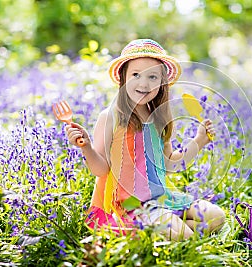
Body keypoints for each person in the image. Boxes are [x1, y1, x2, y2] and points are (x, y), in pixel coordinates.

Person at [65, 39, 225, 240]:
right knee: (183, 235)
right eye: (136, 75)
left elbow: (169, 164)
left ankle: (172, 232)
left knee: (217, 217)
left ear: (161, 82)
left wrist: (199, 141)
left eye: (152, 77)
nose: (143, 83)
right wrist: (86, 147)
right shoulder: (111, 117)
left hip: (164, 199)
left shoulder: (159, 118)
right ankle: (169, 232)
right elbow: (100, 170)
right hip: (133, 206)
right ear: (123, 77)